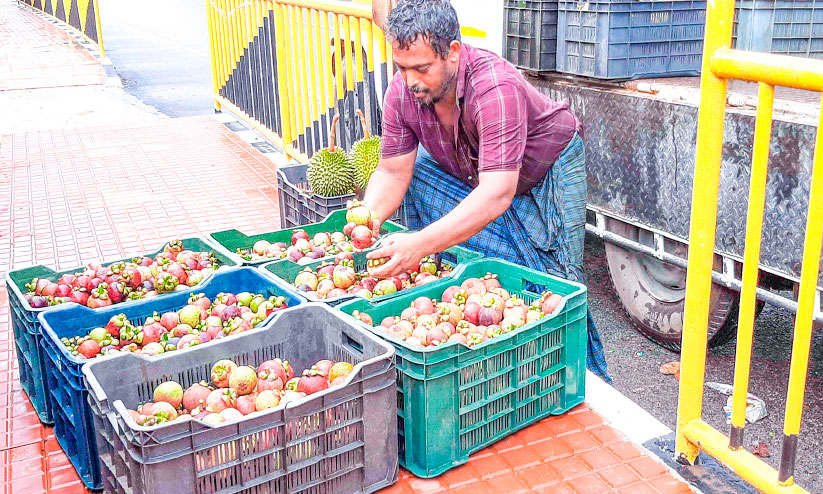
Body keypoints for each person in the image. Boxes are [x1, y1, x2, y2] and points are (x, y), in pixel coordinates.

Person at [363, 0, 610, 383]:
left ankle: (584, 381)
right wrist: (368, 219)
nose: (410, 80)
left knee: (559, 281)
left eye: (421, 68)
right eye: (402, 67)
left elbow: (497, 193)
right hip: (486, 171)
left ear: (454, 53)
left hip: (548, 166)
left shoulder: (494, 86)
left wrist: (419, 244)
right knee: (422, 179)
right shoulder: (403, 92)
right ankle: (510, 358)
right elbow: (393, 171)